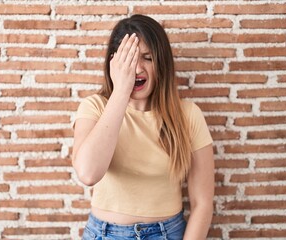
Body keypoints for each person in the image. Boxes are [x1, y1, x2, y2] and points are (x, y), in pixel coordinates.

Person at [72, 14, 214, 240]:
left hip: (168, 233)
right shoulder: (95, 108)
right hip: (104, 234)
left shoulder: (188, 115)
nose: (137, 68)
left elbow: (203, 203)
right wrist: (121, 91)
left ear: (162, 63)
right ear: (114, 63)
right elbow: (88, 173)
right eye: (129, 59)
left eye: (147, 58)